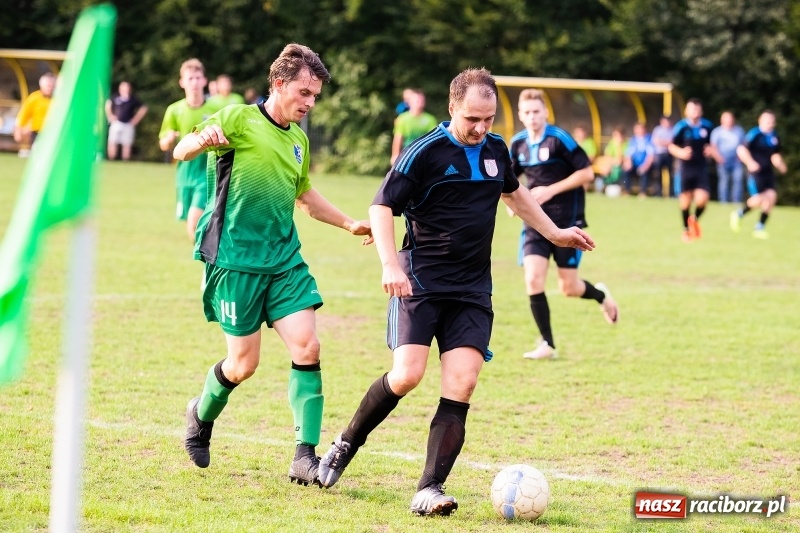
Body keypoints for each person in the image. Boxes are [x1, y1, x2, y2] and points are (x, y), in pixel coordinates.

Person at [316, 68, 595, 516]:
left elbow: (515, 194)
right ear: (452, 109)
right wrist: (389, 263)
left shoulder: (497, 149)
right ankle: (345, 443)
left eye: (489, 119)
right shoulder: (424, 151)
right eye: (472, 119)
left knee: (462, 382)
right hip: (420, 279)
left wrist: (555, 232)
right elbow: (382, 205)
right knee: (407, 375)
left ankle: (429, 488)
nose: (481, 128)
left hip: (470, 287)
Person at [173, 44, 372, 485]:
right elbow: (181, 150)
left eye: (315, 96)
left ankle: (305, 455)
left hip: (283, 260)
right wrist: (198, 141)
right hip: (234, 260)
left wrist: (348, 223)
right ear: (279, 84)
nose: (309, 102)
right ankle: (200, 414)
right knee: (242, 365)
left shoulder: (298, 140)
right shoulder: (237, 119)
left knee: (308, 346)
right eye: (304, 92)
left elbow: (304, 197)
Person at [508, 89, 618, 360]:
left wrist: (550, 190)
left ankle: (601, 296)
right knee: (533, 278)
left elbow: (587, 173)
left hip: (567, 220)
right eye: (527, 112)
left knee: (569, 288)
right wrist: (513, 204)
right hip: (535, 221)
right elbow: (508, 181)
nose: (533, 117)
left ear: (546, 112)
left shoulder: (560, 140)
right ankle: (548, 344)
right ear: (520, 116)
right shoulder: (518, 144)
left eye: (537, 111)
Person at [158, 58, 223, 241]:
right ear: (182, 82)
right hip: (184, 175)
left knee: (194, 223)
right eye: (190, 78)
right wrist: (168, 140)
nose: (194, 82)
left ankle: (210, 264)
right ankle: (209, 261)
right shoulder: (174, 110)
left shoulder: (216, 109)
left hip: (207, 174)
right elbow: (163, 143)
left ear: (204, 80)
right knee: (192, 225)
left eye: (197, 78)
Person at [730, 110, 787, 239]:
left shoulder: (774, 137)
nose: (770, 123)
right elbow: (741, 149)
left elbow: (775, 154)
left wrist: (780, 164)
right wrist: (750, 162)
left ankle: (759, 227)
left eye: (772, 121)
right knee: (760, 198)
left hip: (768, 172)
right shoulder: (755, 134)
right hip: (756, 173)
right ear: (760, 120)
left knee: (771, 198)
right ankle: (739, 214)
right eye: (767, 120)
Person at [668, 98, 717, 242]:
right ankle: (686, 230)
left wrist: (710, 151)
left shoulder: (707, 126)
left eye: (697, 109)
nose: (695, 112)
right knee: (685, 201)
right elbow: (671, 146)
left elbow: (712, 145)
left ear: (701, 111)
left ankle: (694, 219)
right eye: (692, 109)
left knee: (703, 199)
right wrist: (681, 153)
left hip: (701, 167)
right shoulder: (681, 127)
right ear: (686, 111)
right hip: (685, 168)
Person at [390, 88, 438, 165]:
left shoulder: (430, 119)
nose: (420, 102)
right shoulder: (402, 119)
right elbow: (398, 138)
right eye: (417, 100)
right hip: (406, 155)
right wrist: (395, 155)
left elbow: (433, 139)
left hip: (424, 155)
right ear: (410, 102)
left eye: (422, 100)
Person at [13, 72, 56, 156]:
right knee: (38, 151)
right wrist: (18, 130)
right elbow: (23, 115)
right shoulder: (34, 98)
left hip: (54, 131)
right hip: (38, 132)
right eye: (48, 86)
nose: (50, 88)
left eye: (52, 86)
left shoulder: (59, 99)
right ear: (42, 86)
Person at [105, 80, 148, 161]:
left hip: (128, 124)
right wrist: (110, 116)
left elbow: (143, 108)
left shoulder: (133, 99)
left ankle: (125, 160)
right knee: (112, 142)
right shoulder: (115, 97)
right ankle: (111, 159)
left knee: (127, 143)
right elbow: (108, 105)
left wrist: (136, 120)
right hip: (116, 123)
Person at [710, 111, 745, 203]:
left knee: (738, 181)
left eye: (730, 118)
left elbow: (744, 145)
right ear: (722, 120)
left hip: (736, 161)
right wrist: (719, 158)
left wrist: (740, 157)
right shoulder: (717, 132)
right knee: (724, 182)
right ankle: (723, 202)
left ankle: (736, 202)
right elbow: (713, 147)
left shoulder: (739, 131)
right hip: (722, 160)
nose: (729, 120)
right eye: (726, 118)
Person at [623, 122, 655, 197]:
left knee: (645, 171)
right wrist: (628, 163)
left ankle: (643, 192)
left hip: (646, 164)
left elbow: (651, 155)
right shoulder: (633, 140)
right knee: (626, 169)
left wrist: (645, 166)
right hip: (634, 164)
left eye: (640, 129)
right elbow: (628, 154)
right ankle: (627, 191)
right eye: (637, 129)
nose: (639, 131)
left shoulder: (649, 139)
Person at [650, 115, 674, 197]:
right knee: (657, 174)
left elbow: (672, 142)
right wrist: (666, 143)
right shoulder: (657, 130)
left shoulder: (672, 130)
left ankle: (671, 193)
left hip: (669, 154)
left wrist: (662, 142)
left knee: (671, 174)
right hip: (659, 154)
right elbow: (655, 141)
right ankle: (658, 193)